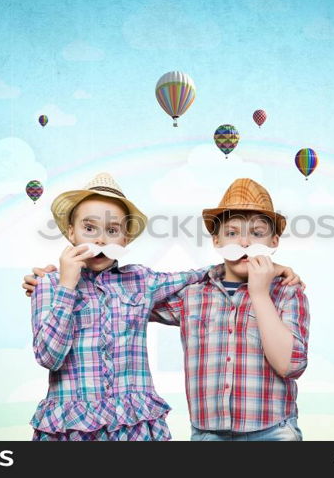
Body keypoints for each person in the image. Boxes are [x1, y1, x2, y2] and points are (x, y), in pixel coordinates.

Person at [29, 172, 301, 441]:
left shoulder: (140, 282)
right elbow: (48, 358)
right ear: (70, 232)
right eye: (90, 228)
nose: (100, 240)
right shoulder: (50, 285)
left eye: (112, 230)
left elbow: (192, 274)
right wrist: (65, 286)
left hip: (134, 425)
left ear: (125, 239)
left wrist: (266, 272)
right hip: (71, 425)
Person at [150, 178, 310, 441]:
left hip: (274, 431)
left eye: (257, 233)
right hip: (208, 434)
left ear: (273, 242)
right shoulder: (192, 294)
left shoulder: (288, 291)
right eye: (232, 233)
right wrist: (61, 279)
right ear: (217, 241)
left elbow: (290, 366)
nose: (244, 242)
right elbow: (128, 299)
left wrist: (259, 293)